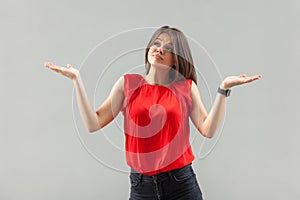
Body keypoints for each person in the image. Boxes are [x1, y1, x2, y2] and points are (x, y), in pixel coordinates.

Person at [45, 25, 261, 200]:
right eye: (156, 43)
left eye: (168, 47)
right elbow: (93, 123)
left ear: (176, 59)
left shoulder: (185, 87)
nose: (159, 49)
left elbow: (208, 129)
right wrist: (77, 80)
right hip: (142, 187)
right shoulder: (128, 84)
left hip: (181, 185)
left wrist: (223, 89)